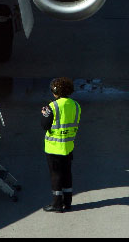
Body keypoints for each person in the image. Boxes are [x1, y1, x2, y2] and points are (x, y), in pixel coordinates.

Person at [41, 77, 81, 213]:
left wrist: (44, 114)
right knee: (67, 174)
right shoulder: (76, 105)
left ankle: (57, 204)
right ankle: (67, 202)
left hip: (53, 148)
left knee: (56, 175)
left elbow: (45, 125)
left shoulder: (52, 107)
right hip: (68, 146)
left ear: (55, 92)